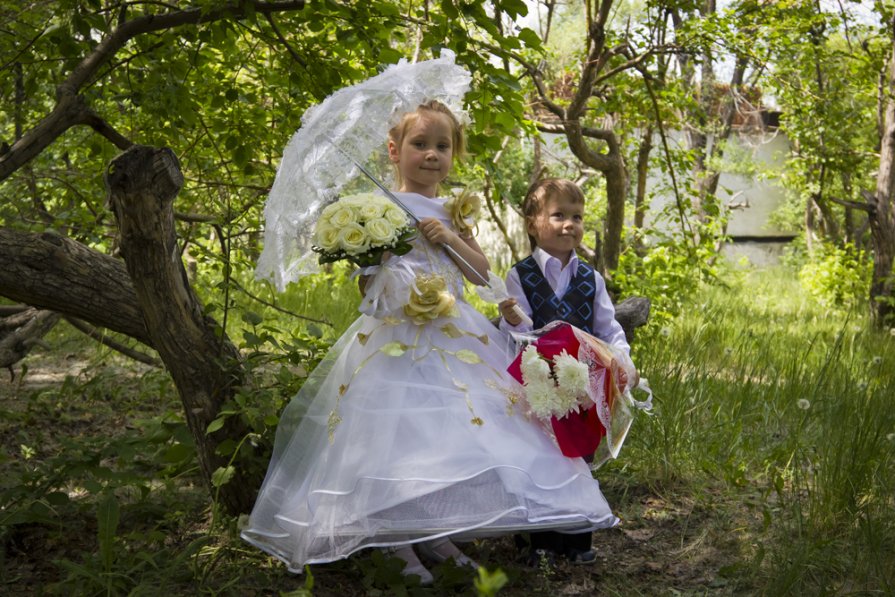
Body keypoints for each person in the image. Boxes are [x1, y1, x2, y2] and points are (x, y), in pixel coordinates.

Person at [242, 103, 617, 585]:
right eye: (420, 144)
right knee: (398, 437)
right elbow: (366, 287)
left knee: (456, 432)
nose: (432, 155)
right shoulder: (376, 211)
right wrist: (382, 261)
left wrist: (450, 239)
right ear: (395, 151)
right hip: (396, 335)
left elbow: (482, 273)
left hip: (456, 333)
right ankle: (397, 538)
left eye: (443, 146)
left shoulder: (452, 211)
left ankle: (435, 531)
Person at [499, 177, 637, 566]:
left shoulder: (591, 279)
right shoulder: (520, 275)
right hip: (538, 385)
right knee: (539, 457)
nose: (569, 224)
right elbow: (518, 334)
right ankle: (539, 538)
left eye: (576, 216)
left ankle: (578, 537)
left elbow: (609, 329)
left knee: (580, 456)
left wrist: (622, 363)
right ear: (533, 223)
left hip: (582, 387)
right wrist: (510, 319)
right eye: (558, 215)